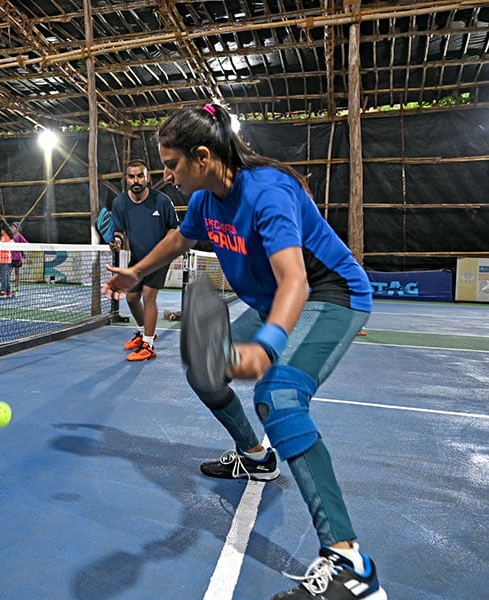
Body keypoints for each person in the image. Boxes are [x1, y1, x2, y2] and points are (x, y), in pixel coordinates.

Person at [103, 104, 383, 600]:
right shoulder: (206, 200)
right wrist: (137, 271)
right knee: (206, 373)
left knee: (280, 395)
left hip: (330, 294)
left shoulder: (267, 193)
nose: (166, 176)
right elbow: (178, 239)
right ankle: (257, 458)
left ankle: (351, 565)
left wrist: (268, 347)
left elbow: (295, 279)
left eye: (172, 165)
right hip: (278, 297)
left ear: (204, 156)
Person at [109, 159, 179, 362]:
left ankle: (148, 346)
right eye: (132, 176)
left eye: (140, 175)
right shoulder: (120, 203)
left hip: (159, 257)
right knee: (131, 298)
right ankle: (144, 333)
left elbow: (173, 228)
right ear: (126, 179)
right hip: (138, 258)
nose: (136, 180)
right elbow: (119, 231)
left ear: (147, 177)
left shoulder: (162, 201)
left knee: (149, 295)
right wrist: (117, 242)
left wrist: (163, 250)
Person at [9, 221, 28, 294]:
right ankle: (8, 288)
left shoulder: (20, 236)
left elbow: (26, 244)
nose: (11, 229)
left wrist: (20, 251)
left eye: (13, 228)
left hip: (17, 258)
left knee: (17, 273)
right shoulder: (11, 236)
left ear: (17, 229)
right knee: (8, 272)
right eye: (11, 228)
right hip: (10, 257)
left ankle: (16, 288)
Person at [0, 225, 13, 297]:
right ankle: (8, 291)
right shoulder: (10, 239)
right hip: (8, 259)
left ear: (3, 231)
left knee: (3, 276)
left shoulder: (3, 237)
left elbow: (0, 243)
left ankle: (3, 291)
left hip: (3, 260)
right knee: (7, 276)